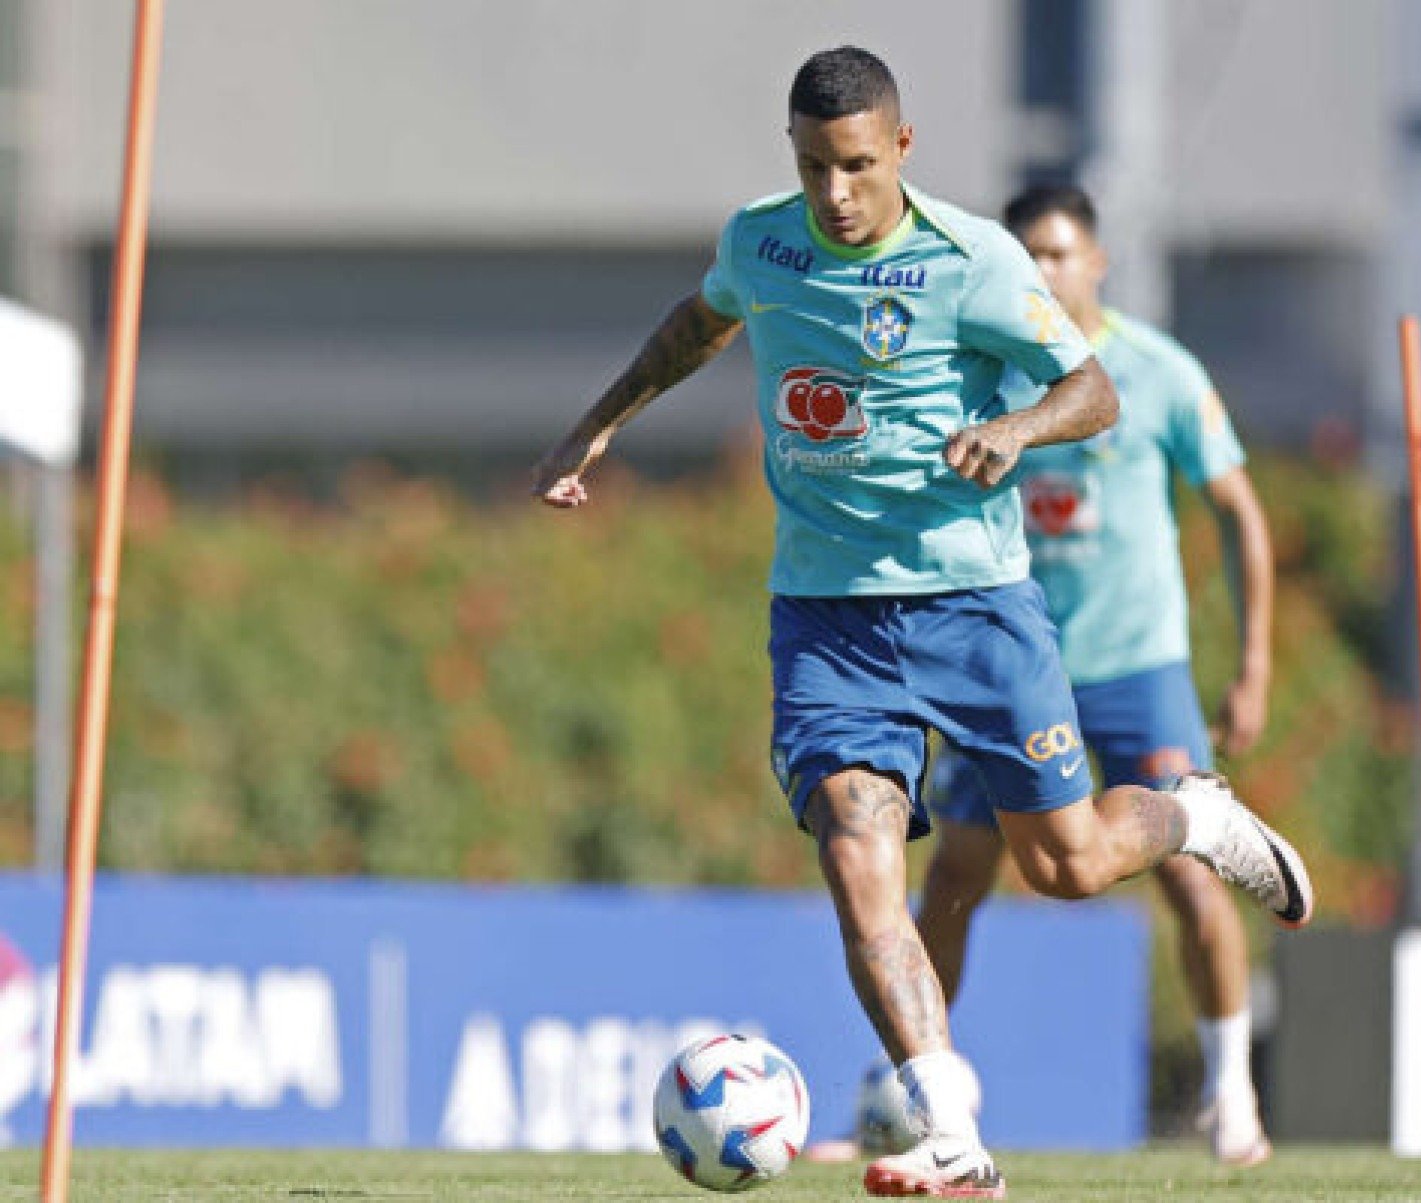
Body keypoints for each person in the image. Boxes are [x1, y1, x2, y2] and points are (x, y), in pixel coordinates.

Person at [531, 48, 1312, 1199]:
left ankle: (1190, 817)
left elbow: (1093, 388)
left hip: (973, 609)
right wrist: (597, 426)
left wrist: (1018, 430)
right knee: (859, 857)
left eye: (853, 166)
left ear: (901, 148)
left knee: (1071, 864)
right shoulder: (764, 240)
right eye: (811, 168)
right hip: (827, 623)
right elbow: (696, 325)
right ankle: (948, 1127)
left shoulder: (972, 262)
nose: (833, 194)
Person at [912, 183, 1281, 1167]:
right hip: (1017, 669)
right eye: (1025, 253)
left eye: (1060, 253)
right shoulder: (982, 369)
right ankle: (919, 1091)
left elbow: (1239, 513)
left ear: (1098, 262)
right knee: (954, 874)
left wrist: (1252, 662)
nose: (1043, 271)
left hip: (1136, 668)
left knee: (1195, 886)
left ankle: (1231, 1093)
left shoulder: (1155, 372)